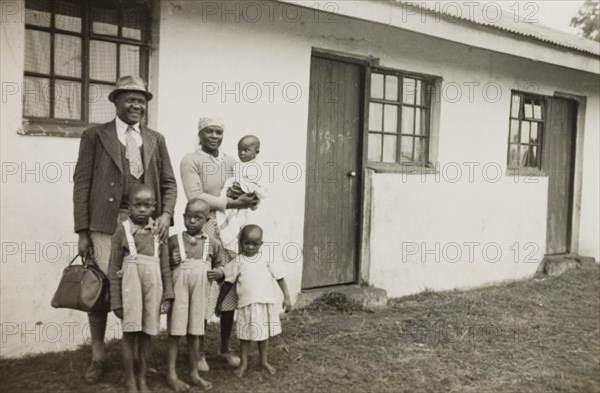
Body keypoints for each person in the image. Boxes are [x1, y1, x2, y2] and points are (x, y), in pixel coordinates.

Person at [73, 75, 177, 384]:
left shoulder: (156, 139)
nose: (137, 105)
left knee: (146, 287)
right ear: (116, 102)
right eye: (130, 99)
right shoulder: (95, 136)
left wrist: (167, 214)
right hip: (105, 224)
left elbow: (169, 183)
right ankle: (98, 357)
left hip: (146, 226)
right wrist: (82, 231)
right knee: (102, 291)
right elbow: (82, 183)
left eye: (142, 100)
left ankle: (140, 359)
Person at [180, 117, 256, 368]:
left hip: (232, 226)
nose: (214, 136)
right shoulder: (191, 160)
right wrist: (233, 202)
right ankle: (198, 351)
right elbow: (196, 196)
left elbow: (249, 189)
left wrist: (251, 199)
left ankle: (225, 347)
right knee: (207, 282)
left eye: (219, 132)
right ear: (200, 133)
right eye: (209, 131)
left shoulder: (232, 162)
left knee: (230, 282)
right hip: (206, 225)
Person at [108, 184, 175, 393]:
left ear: (154, 207)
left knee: (147, 333)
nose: (143, 209)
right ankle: (130, 380)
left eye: (147, 205)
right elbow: (113, 268)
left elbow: (165, 267)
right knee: (130, 333)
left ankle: (142, 378)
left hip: (153, 288)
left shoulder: (159, 231)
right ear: (129, 207)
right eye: (138, 205)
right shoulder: (122, 230)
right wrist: (116, 301)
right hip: (131, 289)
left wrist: (168, 295)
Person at [215, 225, 291, 377]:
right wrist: (219, 302)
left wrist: (287, 297)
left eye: (254, 244)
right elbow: (228, 282)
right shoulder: (238, 261)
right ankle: (243, 363)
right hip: (246, 305)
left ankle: (263, 361)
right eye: (246, 243)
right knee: (245, 335)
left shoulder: (266, 258)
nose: (250, 247)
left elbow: (280, 277)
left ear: (261, 244)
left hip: (264, 304)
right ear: (240, 242)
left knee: (263, 335)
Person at [166, 199, 224, 392]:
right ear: (183, 217)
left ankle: (193, 373)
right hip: (179, 291)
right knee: (175, 332)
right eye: (188, 216)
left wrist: (219, 272)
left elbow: (220, 264)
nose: (192, 221)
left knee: (195, 332)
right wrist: (171, 260)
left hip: (200, 293)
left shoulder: (213, 244)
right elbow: (164, 265)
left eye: (197, 218)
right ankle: (171, 373)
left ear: (206, 220)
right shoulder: (174, 241)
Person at [216, 135, 268, 254]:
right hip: (233, 201)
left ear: (257, 151)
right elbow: (235, 180)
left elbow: (257, 186)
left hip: (245, 202)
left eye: (246, 150)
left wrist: (242, 188)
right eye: (240, 150)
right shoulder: (237, 165)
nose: (242, 153)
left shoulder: (257, 167)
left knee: (240, 223)